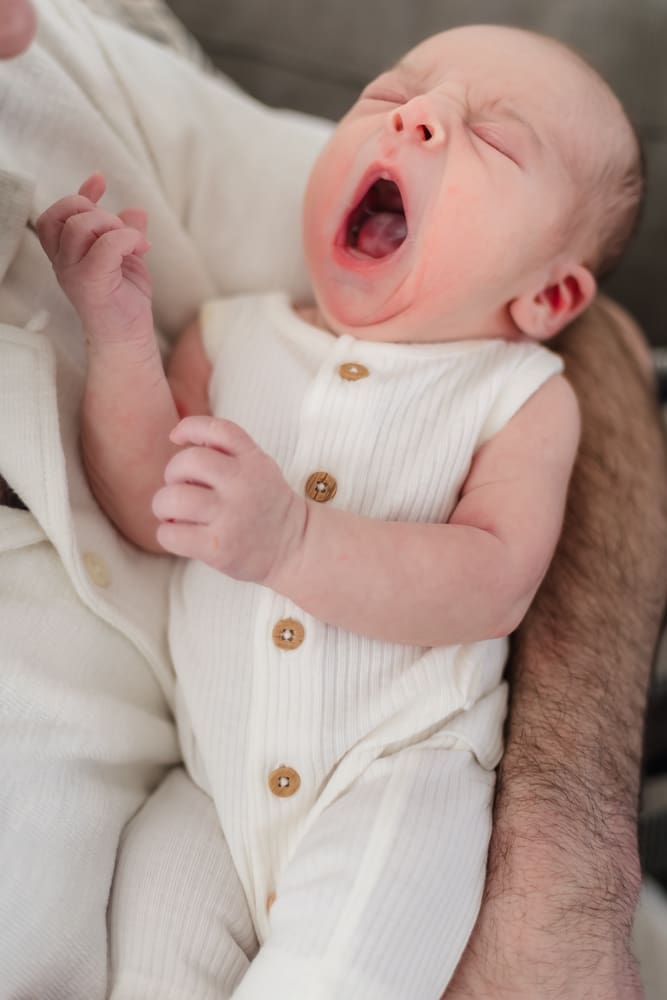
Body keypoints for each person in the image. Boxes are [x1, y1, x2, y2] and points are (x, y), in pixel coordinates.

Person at [0, 3, 665, 999]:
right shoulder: (229, 334)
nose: (414, 118)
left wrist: (296, 539)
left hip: (393, 787)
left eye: (486, 135)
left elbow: (491, 582)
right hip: (207, 796)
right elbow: (148, 505)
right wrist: (122, 337)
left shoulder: (515, 396)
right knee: (148, 967)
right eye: (387, 96)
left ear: (548, 299)